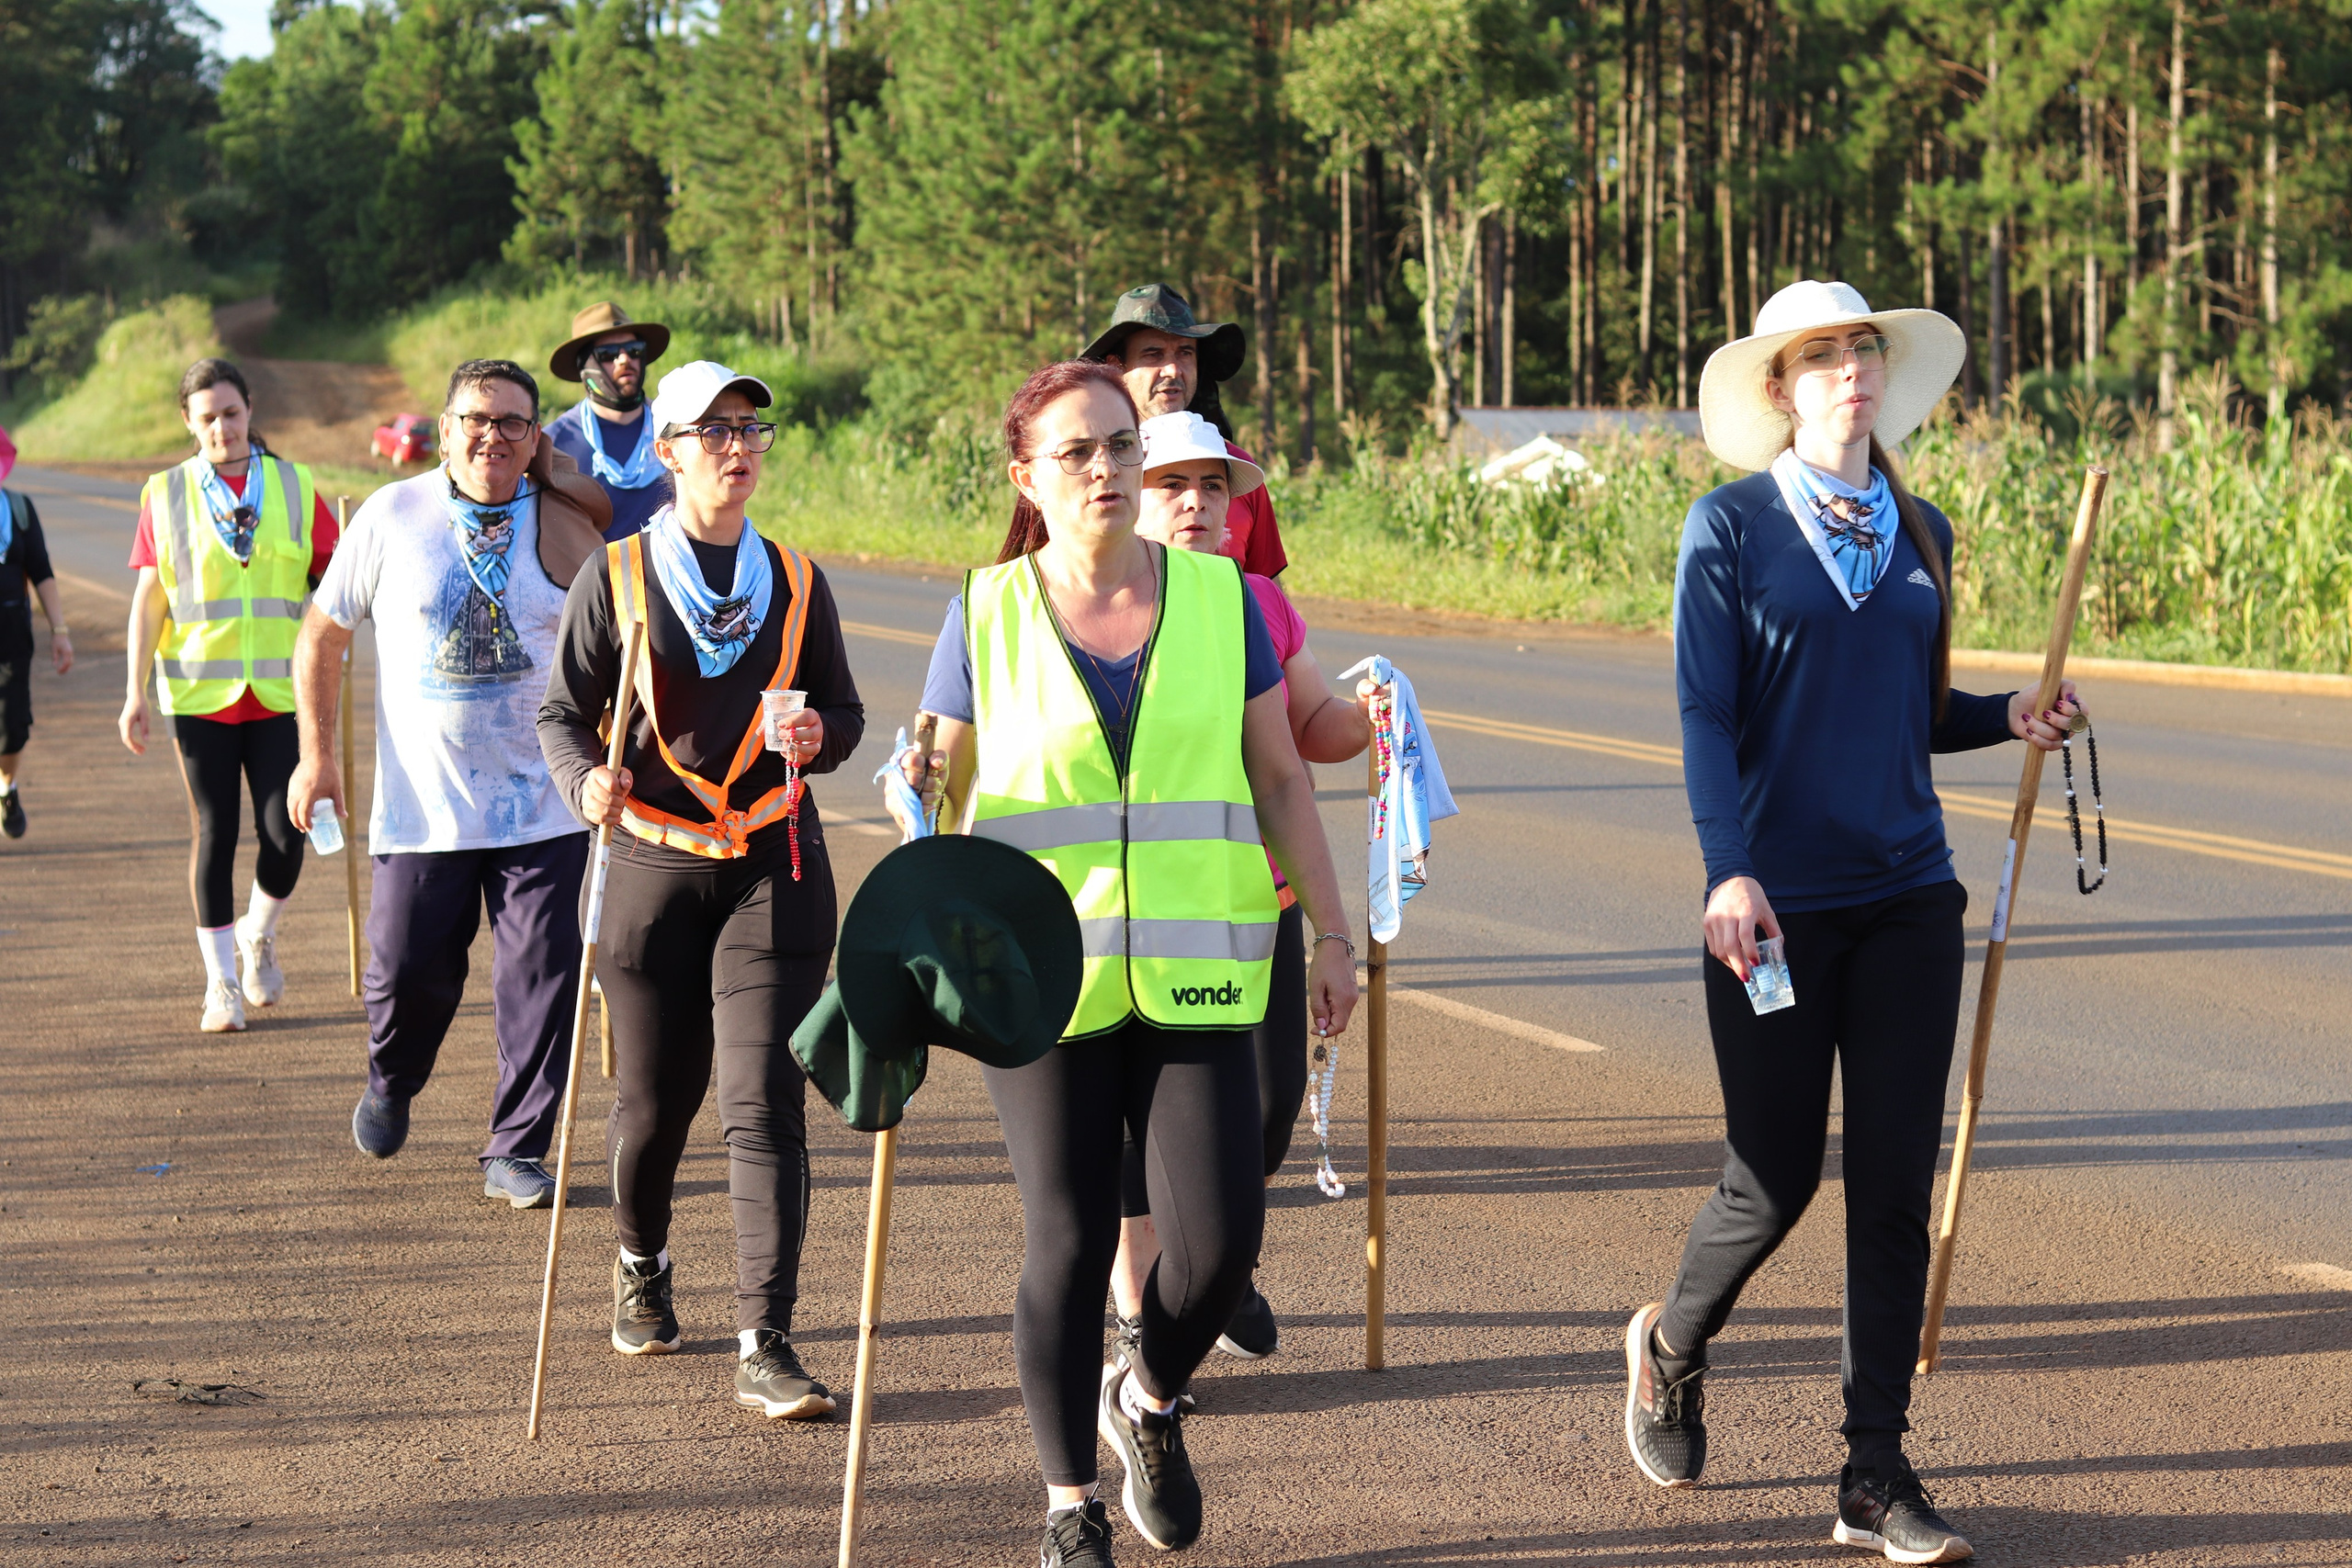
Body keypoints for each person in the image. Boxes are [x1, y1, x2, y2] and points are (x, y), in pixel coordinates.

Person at [1630, 280, 2086, 1566]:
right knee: (1772, 1178)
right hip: (1770, 907)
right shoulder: (1725, 528)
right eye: (1822, 354)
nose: (1850, 370)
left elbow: (1907, 707)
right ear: (1780, 386)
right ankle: (1669, 1345)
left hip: (1906, 894)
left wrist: (2006, 714)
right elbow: (1707, 715)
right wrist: (1727, 868)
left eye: (1863, 349)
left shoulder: (1923, 528)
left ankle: (1872, 1469)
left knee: (1892, 1182)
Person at [908, 360, 1357, 1566]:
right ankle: (1068, 1504)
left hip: (1204, 961)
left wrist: (1331, 927)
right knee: (1065, 1234)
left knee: (1218, 1248)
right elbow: (934, 794)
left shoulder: (1220, 601)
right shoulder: (986, 611)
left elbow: (1279, 778)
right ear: (1029, 480)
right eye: (1078, 453)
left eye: (1120, 445)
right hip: (1045, 982)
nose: (1106, 468)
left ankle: (1147, 1393)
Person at [538, 360, 865, 1419]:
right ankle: (641, 1258)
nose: (737, 446)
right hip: (650, 864)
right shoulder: (619, 576)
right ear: (669, 451)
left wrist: (818, 737)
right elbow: (561, 715)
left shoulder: (799, 580)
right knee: (654, 1103)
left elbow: (845, 718)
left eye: (751, 427)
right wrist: (586, 780)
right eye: (711, 431)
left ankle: (765, 1340)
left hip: (773, 859)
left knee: (763, 1102)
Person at [288, 359, 592, 1212]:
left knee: (543, 977)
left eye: (513, 423)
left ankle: (517, 1146)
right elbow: (321, 637)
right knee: (405, 975)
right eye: (477, 419)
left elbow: (614, 644)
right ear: (447, 425)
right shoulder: (393, 515)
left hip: (544, 804)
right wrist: (317, 755)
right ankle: (392, 1079)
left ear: (536, 439)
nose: (493, 436)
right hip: (423, 811)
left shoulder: (567, 524)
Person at [1108, 410, 1372, 1373]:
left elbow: (1312, 732)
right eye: (1173, 485)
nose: (1195, 504)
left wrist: (1378, 717)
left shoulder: (1259, 602)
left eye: (1213, 487)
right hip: (1133, 910)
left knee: (1264, 1107)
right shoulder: (1100, 605)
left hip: (1253, 896)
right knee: (1138, 1116)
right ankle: (1146, 1306)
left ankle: (1208, 1266)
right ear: (1131, 494)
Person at [118, 359, 336, 1032]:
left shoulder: (295, 486)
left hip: (278, 691)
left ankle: (258, 933)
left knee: (287, 831)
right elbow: (149, 598)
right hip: (199, 691)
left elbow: (335, 584)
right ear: (189, 421)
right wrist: (133, 693)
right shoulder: (166, 492)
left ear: (250, 411)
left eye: (232, 413)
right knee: (215, 833)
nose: (222, 427)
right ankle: (220, 986)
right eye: (207, 416)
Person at [1083, 284, 1287, 581]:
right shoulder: (1090, 469)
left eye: (1185, 353)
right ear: (1116, 368)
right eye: (1153, 354)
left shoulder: (1237, 468)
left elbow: (1266, 587)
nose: (1172, 370)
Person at [547, 301, 674, 539]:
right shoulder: (553, 444)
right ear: (585, 366)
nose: (625, 359)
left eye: (634, 350)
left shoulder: (675, 431)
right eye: (608, 354)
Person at [0, 436, 73, 840]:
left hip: (11, 634)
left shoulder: (18, 510)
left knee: (12, 728)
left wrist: (59, 630)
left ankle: (7, 789)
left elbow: (41, 571)